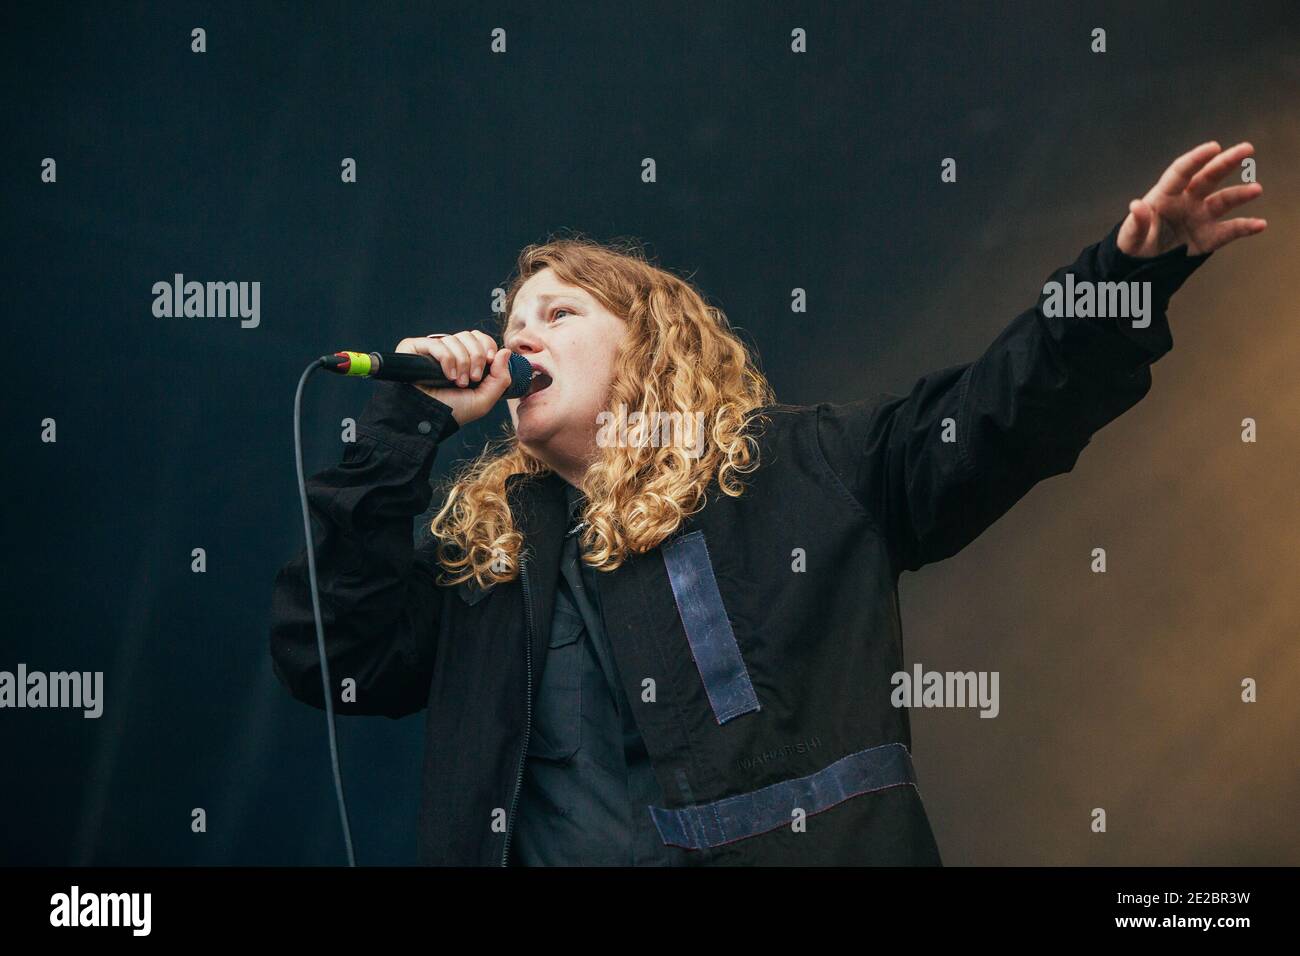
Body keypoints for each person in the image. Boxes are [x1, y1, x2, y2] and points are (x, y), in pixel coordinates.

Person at [269, 141, 1266, 865]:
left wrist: (1121, 280)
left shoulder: (798, 470)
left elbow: (992, 415)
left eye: (558, 312)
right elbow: (332, 652)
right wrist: (399, 428)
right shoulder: (485, 563)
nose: (516, 336)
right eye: (511, 319)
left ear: (648, 346)